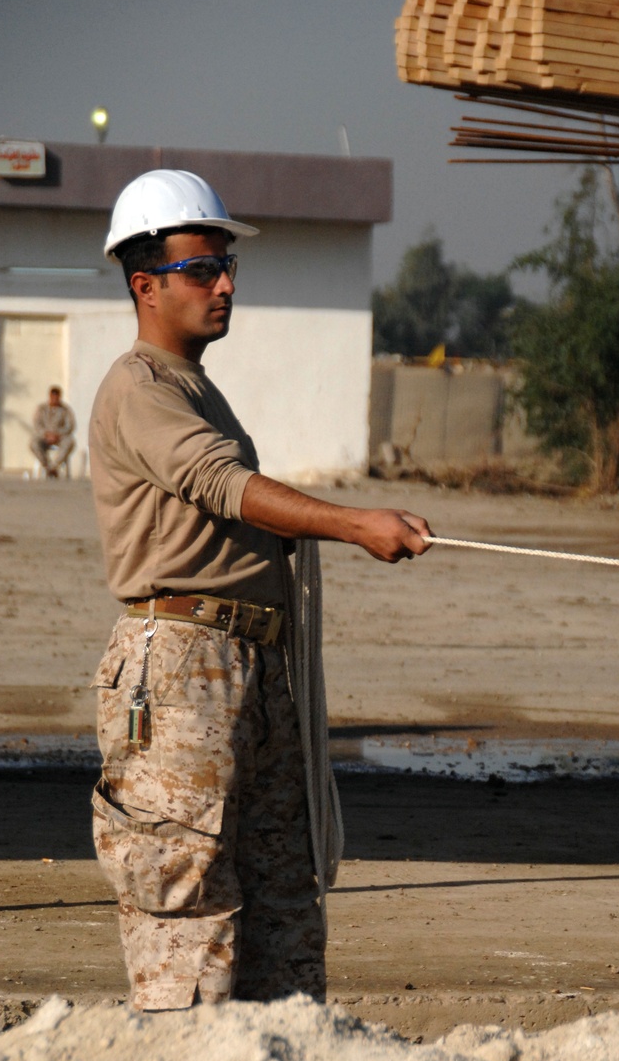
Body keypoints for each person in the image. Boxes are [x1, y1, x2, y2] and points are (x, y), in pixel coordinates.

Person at [88, 169, 431, 1012]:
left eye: (226, 266)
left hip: (247, 660)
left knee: (282, 888)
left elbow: (230, 486)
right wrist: (355, 524)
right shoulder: (139, 386)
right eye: (202, 268)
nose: (225, 284)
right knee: (186, 892)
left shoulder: (195, 388)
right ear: (145, 285)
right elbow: (222, 484)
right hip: (182, 668)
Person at [31, 386, 76, 477]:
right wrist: (46, 434)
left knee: (70, 442)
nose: (55, 399)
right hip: (45, 436)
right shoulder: (42, 409)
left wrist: (58, 434)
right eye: (53, 397)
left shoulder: (65, 410)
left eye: (57, 397)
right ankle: (47, 466)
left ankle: (54, 466)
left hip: (60, 436)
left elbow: (70, 425)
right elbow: (37, 424)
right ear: (50, 396)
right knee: (34, 443)